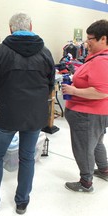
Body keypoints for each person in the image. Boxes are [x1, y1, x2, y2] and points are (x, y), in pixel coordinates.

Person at [0, 13, 55, 215]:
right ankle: (22, 202)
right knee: (27, 158)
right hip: (35, 116)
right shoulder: (45, 53)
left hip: (7, 116)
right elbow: (50, 86)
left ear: (10, 29)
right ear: (31, 26)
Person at [62, 19, 108, 193]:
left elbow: (101, 92)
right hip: (94, 114)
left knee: (83, 148)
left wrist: (73, 91)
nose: (86, 42)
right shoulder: (97, 58)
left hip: (87, 114)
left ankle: (85, 182)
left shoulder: (101, 61)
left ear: (103, 39)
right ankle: (104, 169)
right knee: (96, 143)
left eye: (91, 39)